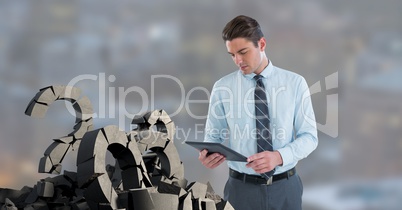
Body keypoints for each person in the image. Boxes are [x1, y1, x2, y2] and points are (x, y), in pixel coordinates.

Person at [198, 15, 318, 210]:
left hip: (286, 188)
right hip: (240, 190)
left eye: (243, 52)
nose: (238, 60)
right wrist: (208, 154)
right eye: (232, 54)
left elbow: (310, 137)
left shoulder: (295, 83)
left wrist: (279, 156)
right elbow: (214, 137)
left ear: (261, 44)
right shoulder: (222, 88)